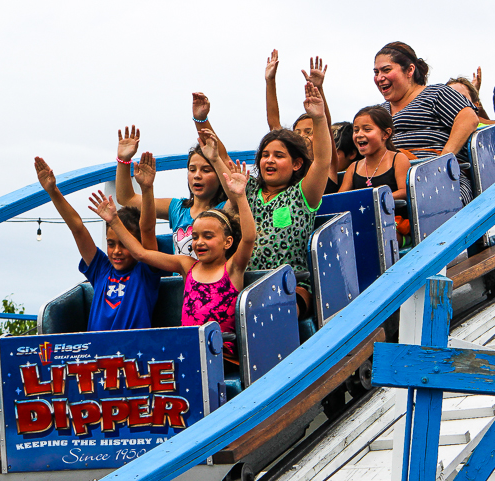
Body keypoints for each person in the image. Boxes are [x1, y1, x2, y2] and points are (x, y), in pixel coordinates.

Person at [88, 161, 255, 360]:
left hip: (221, 355)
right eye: (195, 237)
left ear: (228, 242)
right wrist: (114, 221)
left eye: (208, 236)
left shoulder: (233, 267)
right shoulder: (186, 265)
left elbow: (248, 237)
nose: (199, 242)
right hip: (189, 352)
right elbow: (141, 254)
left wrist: (240, 196)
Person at [193, 82, 331, 317]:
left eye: (279, 156)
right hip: (245, 283)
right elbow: (219, 155)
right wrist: (201, 120)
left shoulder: (302, 193)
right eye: (265, 155)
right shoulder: (247, 189)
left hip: (290, 284)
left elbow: (322, 161)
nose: (269, 161)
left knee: (282, 310)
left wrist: (318, 118)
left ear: (297, 164)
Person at [34, 156, 160, 332]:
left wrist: (147, 189)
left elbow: (147, 229)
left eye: (124, 244)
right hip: (97, 355)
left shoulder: (146, 271)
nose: (116, 251)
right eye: (111, 244)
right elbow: (77, 228)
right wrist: (53, 190)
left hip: (132, 354)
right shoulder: (101, 269)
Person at [374, 41, 479, 206]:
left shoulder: (436, 93)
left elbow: (469, 118)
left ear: (409, 70)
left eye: (386, 70)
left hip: (441, 182)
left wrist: (441, 164)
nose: (379, 78)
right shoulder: (379, 112)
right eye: (376, 72)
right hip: (394, 188)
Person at [115, 125, 228, 258]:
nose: (197, 175)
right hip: (182, 278)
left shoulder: (226, 209)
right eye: (192, 170)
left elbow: (237, 196)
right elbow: (126, 199)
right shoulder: (177, 208)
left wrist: (216, 158)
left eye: (206, 170)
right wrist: (123, 160)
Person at [264, 51, 340, 195]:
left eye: (308, 132)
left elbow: (326, 125)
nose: (302, 136)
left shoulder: (327, 165)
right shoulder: (290, 170)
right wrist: (270, 81)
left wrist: (318, 88)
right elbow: (274, 124)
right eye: (297, 132)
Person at [338, 106, 412, 245]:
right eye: (356, 130)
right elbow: (341, 197)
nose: (359, 134)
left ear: (386, 134)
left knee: (378, 235)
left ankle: (406, 240)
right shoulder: (353, 167)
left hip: (394, 223)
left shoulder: (397, 159)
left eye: (367, 129)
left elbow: (404, 191)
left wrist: (375, 198)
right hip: (364, 223)